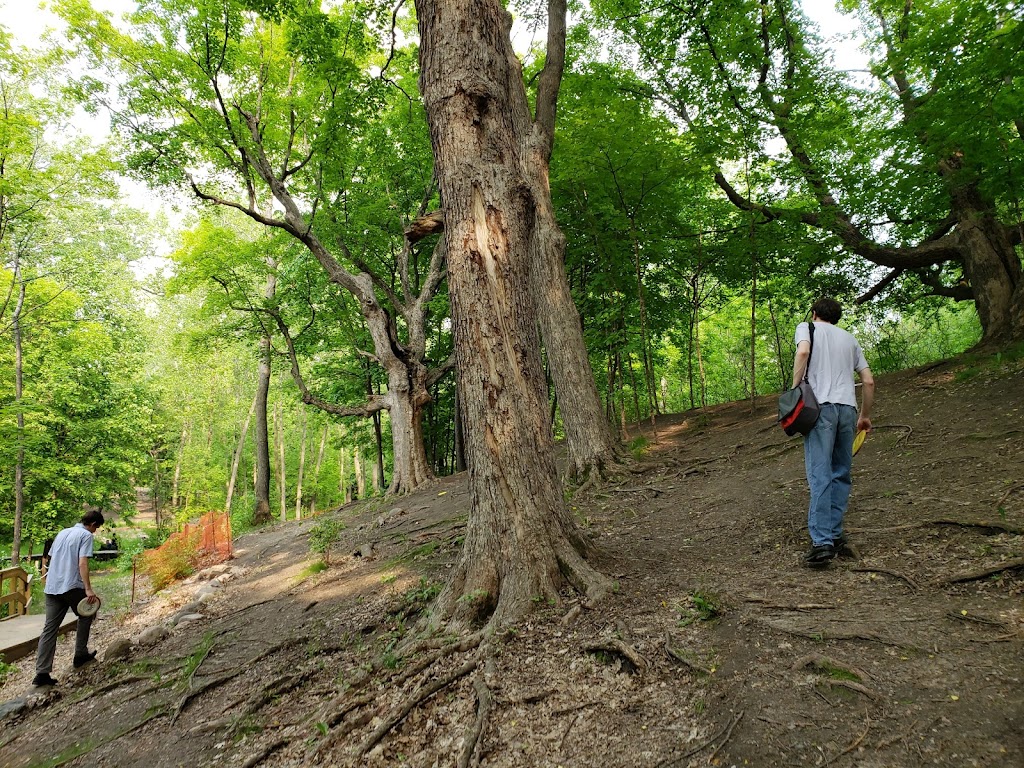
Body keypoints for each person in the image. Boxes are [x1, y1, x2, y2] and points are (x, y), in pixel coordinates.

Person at [792, 298, 874, 567]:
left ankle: (821, 542)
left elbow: (803, 353)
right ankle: (835, 535)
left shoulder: (807, 328)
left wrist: (795, 391)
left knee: (820, 473)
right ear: (836, 317)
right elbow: (868, 380)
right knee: (841, 472)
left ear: (814, 313)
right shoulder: (849, 339)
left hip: (820, 409)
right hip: (848, 410)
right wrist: (864, 415)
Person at [32, 510, 104, 687]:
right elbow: (82, 563)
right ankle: (80, 655)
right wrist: (88, 589)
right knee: (88, 612)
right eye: (97, 527)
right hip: (71, 584)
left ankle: (42, 673)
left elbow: (51, 558)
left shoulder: (63, 532)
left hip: (52, 586)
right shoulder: (85, 535)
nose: (96, 531)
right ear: (93, 524)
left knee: (50, 628)